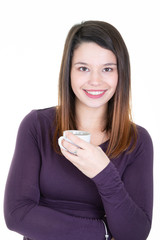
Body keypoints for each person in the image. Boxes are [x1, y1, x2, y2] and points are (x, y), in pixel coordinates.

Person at [4, 20, 153, 240]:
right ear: (69, 71)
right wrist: (102, 231)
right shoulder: (37, 125)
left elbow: (136, 233)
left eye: (107, 69)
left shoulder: (137, 141)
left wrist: (104, 172)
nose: (95, 81)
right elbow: (17, 215)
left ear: (120, 74)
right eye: (83, 68)